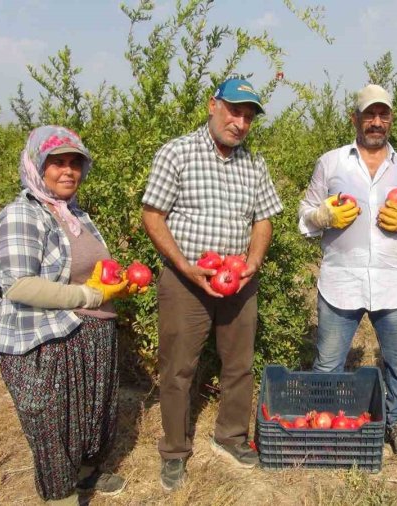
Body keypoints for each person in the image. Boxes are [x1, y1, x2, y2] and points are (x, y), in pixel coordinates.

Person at [141, 77, 283, 491]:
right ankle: (174, 450)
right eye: (233, 110)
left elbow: (263, 219)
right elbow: (153, 215)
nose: (239, 122)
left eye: (248, 116)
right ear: (212, 105)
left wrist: (253, 262)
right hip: (187, 280)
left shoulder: (253, 164)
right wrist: (185, 267)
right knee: (178, 367)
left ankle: (231, 436)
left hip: (237, 281)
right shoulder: (178, 152)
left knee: (239, 363)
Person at [0, 126, 130, 505]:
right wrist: (88, 294)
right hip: (47, 338)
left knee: (89, 416)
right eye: (57, 163)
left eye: (75, 163)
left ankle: (86, 474)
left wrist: (116, 285)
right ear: (37, 166)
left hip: (91, 330)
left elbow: (90, 270)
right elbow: (18, 284)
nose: (68, 171)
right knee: (54, 426)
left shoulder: (75, 214)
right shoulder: (21, 214)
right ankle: (61, 494)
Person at [298, 84, 397, 456]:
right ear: (354, 119)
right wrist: (322, 215)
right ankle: (325, 421)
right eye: (369, 115)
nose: (377, 122)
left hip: (392, 282)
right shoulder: (331, 163)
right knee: (328, 363)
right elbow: (305, 215)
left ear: (391, 119)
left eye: (383, 115)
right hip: (341, 280)